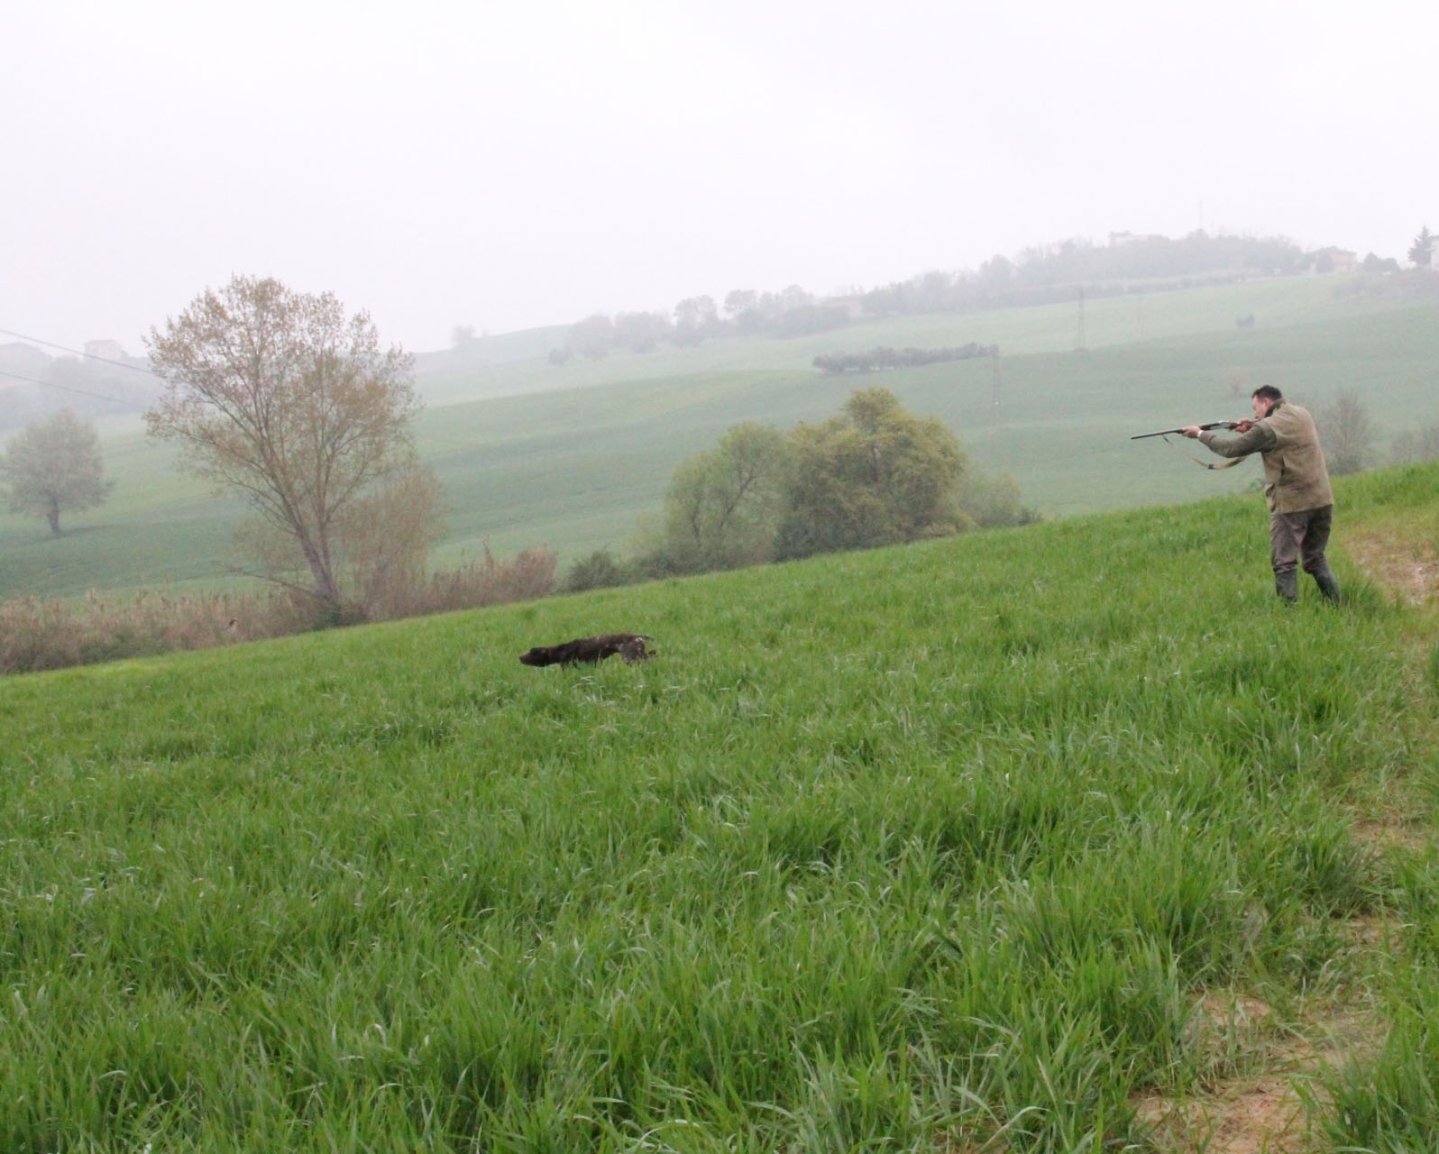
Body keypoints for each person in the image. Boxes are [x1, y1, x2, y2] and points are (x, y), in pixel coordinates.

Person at [1183, 386, 1340, 604]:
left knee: (1283, 563)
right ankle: (1338, 605)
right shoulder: (1301, 413)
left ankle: (1288, 619)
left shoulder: (1267, 428)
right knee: (1315, 558)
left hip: (1292, 504)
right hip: (1322, 500)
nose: (1254, 413)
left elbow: (1230, 449)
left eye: (1255, 408)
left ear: (1266, 403)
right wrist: (1254, 425)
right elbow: (1279, 430)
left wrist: (1200, 434)